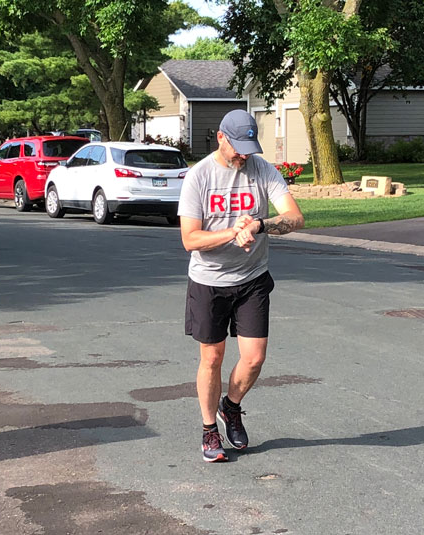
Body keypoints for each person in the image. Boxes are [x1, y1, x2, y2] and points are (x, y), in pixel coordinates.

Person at [177, 109, 304, 462]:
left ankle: (231, 407)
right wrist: (232, 232)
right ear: (221, 137)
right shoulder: (199, 177)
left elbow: (295, 217)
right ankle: (208, 431)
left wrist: (260, 225)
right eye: (238, 147)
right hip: (209, 281)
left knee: (254, 358)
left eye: (249, 147)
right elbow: (190, 239)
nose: (244, 154)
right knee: (212, 358)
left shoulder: (262, 169)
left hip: (252, 279)